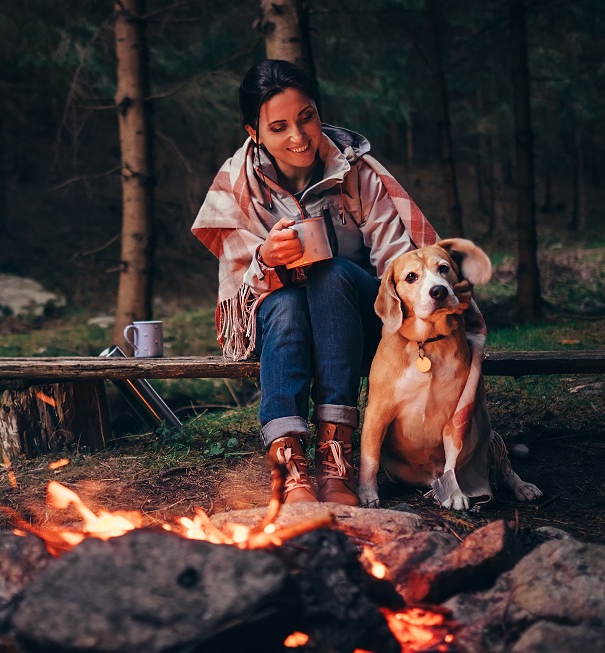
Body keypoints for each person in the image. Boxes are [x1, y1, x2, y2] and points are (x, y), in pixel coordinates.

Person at [191, 59, 451, 505]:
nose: (298, 136)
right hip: (281, 326)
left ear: (317, 111)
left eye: (306, 117)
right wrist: (266, 259)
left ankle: (337, 454)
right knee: (289, 304)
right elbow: (240, 293)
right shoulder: (237, 185)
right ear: (254, 133)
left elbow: (399, 264)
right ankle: (288, 462)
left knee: (329, 275)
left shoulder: (358, 174)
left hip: (365, 323)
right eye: (279, 127)